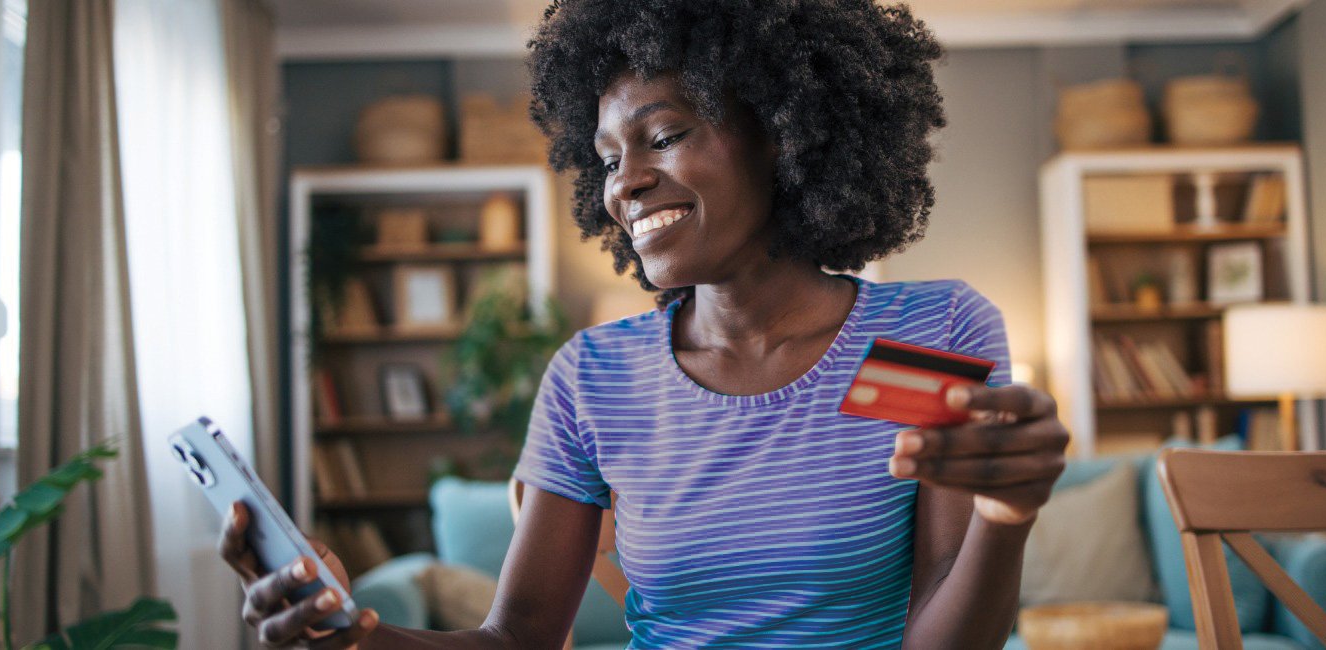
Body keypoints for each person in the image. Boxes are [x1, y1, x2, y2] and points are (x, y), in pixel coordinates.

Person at [220, 0, 1069, 647]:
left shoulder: (927, 336)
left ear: (782, 133)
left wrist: (1005, 517)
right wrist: (352, 632)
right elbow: (515, 640)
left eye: (662, 135)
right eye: (608, 158)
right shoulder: (594, 377)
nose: (624, 183)